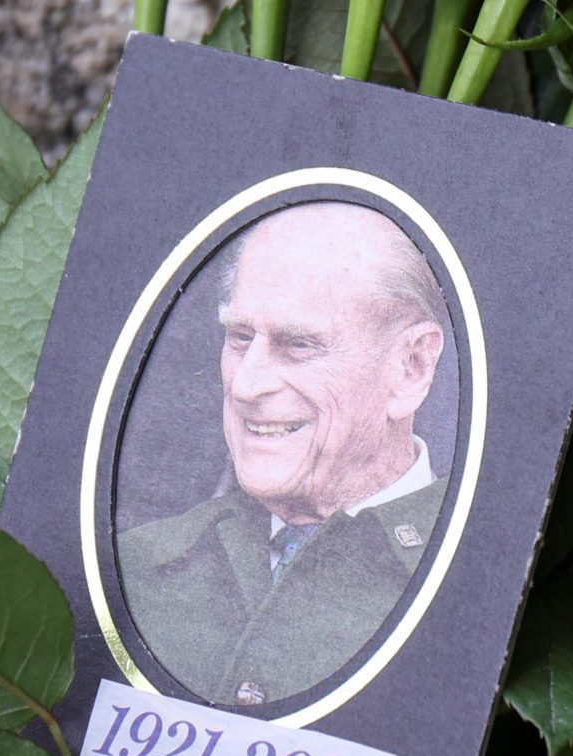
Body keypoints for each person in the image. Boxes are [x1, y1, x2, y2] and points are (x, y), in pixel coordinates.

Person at [120, 201, 450, 707]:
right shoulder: (137, 566)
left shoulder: (466, 576)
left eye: (299, 344)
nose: (246, 385)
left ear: (411, 366)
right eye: (239, 336)